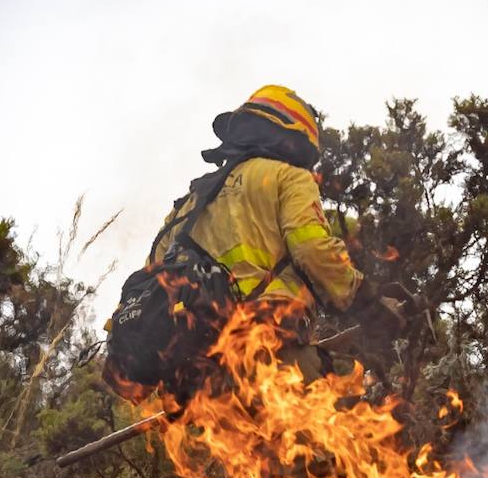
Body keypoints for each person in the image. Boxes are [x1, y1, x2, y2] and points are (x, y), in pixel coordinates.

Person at [149, 83, 403, 382]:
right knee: (349, 405)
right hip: (269, 350)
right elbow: (312, 250)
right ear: (293, 136)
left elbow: (153, 277)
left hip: (199, 375)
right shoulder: (288, 176)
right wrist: (368, 304)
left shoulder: (189, 203)